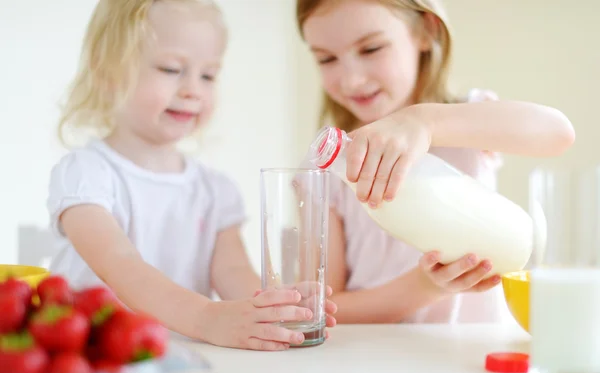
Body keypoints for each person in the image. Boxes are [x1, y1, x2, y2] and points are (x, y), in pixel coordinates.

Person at [46, 0, 336, 351]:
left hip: (179, 358)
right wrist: (205, 318)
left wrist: (274, 308)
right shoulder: (85, 173)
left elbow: (232, 274)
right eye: (171, 69)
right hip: (91, 360)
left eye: (208, 75)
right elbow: (122, 267)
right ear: (106, 72)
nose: (193, 90)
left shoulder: (215, 191)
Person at [296, 0, 575, 323]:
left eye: (371, 49)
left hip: (469, 357)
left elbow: (559, 133)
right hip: (370, 358)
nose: (351, 80)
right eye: (326, 59)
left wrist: (426, 122)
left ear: (426, 31)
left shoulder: (462, 123)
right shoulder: (327, 172)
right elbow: (324, 308)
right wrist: (426, 285)